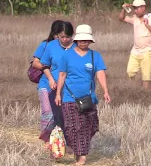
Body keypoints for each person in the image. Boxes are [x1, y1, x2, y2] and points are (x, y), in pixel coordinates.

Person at [55, 24, 111, 165]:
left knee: (90, 126)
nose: (83, 42)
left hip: (88, 99)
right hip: (69, 97)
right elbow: (62, 75)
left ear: (90, 41)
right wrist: (58, 94)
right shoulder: (66, 55)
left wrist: (105, 91)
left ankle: (79, 149)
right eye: (81, 39)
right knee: (73, 126)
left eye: (86, 39)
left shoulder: (95, 56)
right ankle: (81, 157)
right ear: (76, 40)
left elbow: (100, 74)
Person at [40, 21, 76, 147]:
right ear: (57, 36)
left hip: (70, 88)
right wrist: (50, 79)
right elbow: (44, 65)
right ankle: (49, 141)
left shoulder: (77, 46)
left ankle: (67, 143)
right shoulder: (51, 46)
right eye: (62, 37)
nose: (65, 39)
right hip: (52, 87)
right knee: (51, 115)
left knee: (67, 116)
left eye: (68, 36)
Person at [31, 20, 64, 146]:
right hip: (45, 85)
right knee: (48, 114)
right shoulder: (45, 45)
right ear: (53, 34)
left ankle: (57, 142)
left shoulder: (67, 47)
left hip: (61, 87)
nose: (60, 38)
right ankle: (45, 140)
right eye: (57, 35)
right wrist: (46, 68)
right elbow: (35, 62)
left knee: (60, 116)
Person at [119, 0, 151, 89]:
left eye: (137, 8)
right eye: (134, 8)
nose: (135, 11)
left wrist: (147, 25)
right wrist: (124, 8)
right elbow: (121, 18)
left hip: (148, 50)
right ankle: (135, 89)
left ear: (143, 8)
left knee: (146, 76)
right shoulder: (134, 18)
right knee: (130, 71)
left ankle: (145, 95)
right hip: (135, 50)